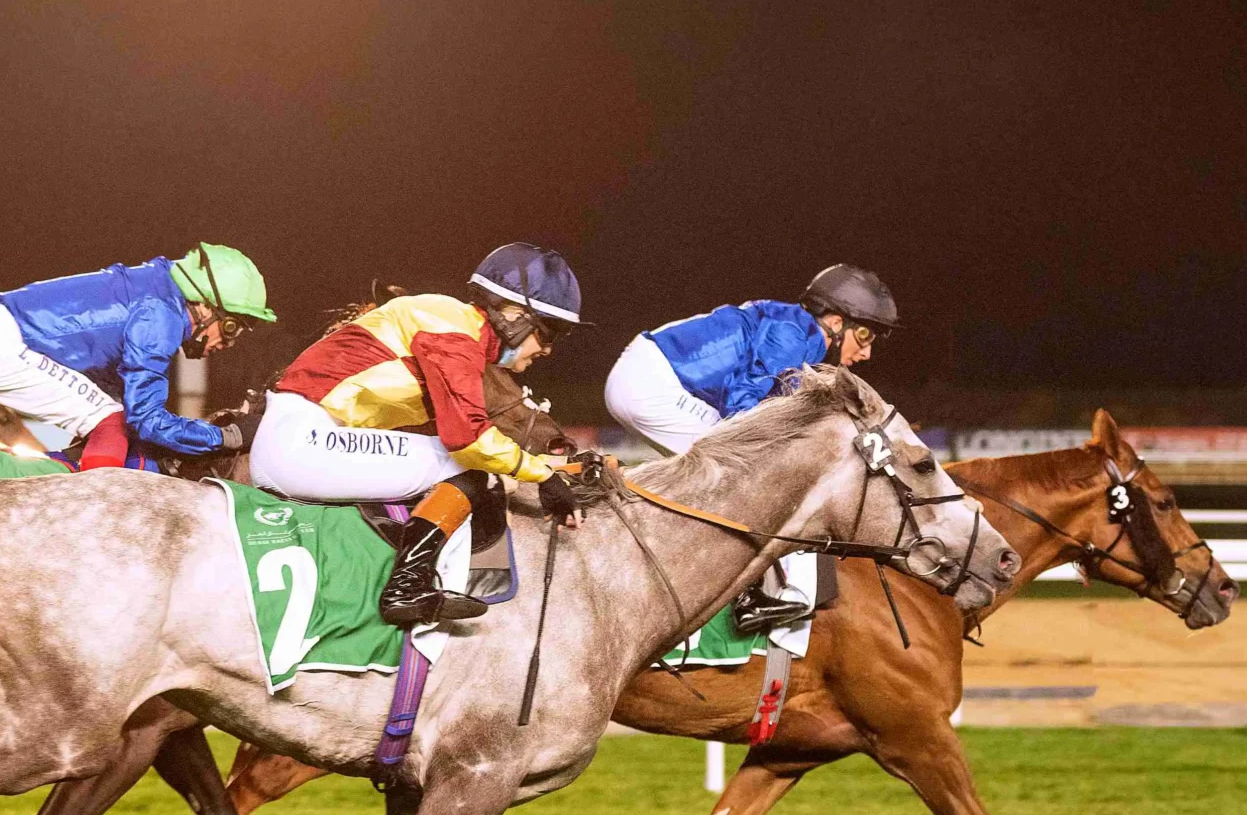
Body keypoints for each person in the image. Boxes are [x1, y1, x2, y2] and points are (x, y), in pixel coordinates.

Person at [251, 242, 585, 626]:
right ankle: (406, 588)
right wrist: (541, 476)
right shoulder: (453, 327)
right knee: (469, 470)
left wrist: (541, 464)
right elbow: (469, 439)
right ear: (514, 315)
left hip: (302, 437)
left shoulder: (453, 329)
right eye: (548, 334)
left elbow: (437, 431)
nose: (548, 351)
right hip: (303, 441)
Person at [601, 262, 898, 633]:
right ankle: (745, 595)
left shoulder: (795, 329)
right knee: (748, 473)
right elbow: (745, 407)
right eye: (866, 335)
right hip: (652, 385)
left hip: (649, 378)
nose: (867, 353)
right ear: (836, 322)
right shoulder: (795, 334)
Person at [0, 244, 274, 467]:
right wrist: (229, 436)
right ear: (204, 305)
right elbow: (145, 420)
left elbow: (128, 403)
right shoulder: (160, 313)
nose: (229, 343)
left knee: (112, 417)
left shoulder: (158, 290)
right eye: (233, 327)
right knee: (110, 420)